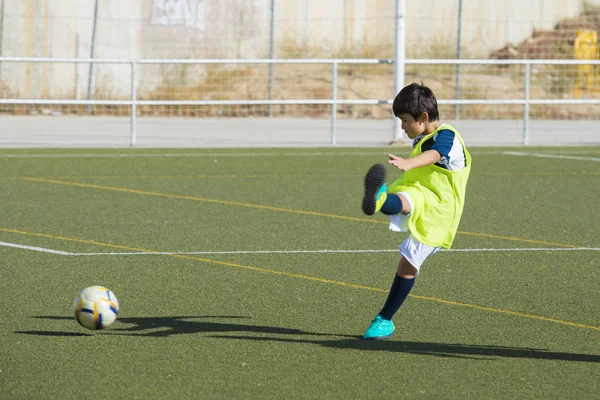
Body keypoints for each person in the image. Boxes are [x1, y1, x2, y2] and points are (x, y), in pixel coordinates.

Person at [361, 82, 472, 340]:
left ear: (423, 118)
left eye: (405, 121)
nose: (402, 127)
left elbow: (435, 154)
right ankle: (379, 200)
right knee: (406, 200)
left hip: (442, 210)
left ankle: (384, 319)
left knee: (407, 266)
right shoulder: (423, 136)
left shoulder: (447, 136)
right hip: (422, 193)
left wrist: (409, 163)